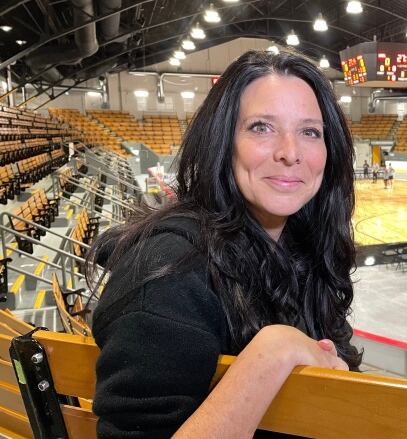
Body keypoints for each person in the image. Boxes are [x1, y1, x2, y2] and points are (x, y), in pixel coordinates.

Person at [86, 51, 361, 438]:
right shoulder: (168, 276)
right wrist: (272, 354)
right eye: (262, 127)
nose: (290, 152)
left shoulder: (300, 249)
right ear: (221, 141)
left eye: (310, 131)